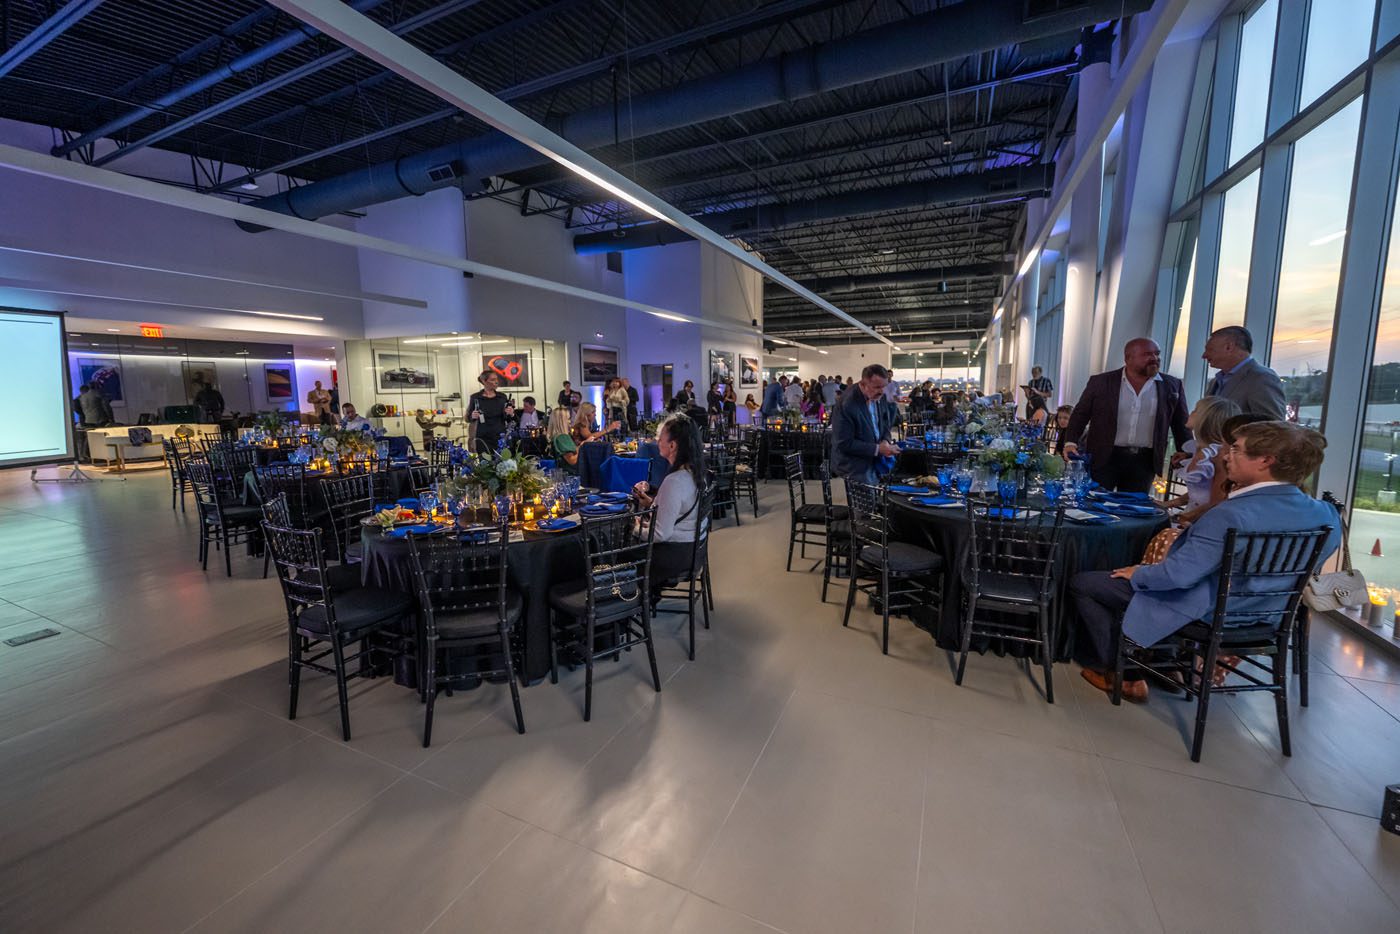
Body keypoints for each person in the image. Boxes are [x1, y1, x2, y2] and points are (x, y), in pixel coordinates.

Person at [1070, 421, 1340, 701]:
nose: (1226, 456)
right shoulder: (1326, 514)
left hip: (1211, 612)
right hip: (1270, 614)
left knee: (1086, 584)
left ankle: (1123, 675)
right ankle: (1163, 662)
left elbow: (1177, 577)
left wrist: (1138, 573)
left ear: (1265, 461)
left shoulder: (1231, 515)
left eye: (1236, 449)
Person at [1062, 338, 1190, 493]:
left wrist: (1187, 451)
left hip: (1144, 462)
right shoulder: (1102, 382)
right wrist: (1070, 442)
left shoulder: (1171, 385)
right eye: (1147, 354)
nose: (1155, 358)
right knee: (1095, 505)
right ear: (1128, 358)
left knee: (1134, 509)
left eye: (1157, 354)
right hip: (1104, 457)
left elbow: (1181, 422)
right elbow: (1081, 414)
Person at [632, 414, 708, 599]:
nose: (657, 441)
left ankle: (629, 608)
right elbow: (681, 509)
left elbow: (660, 534)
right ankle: (648, 600)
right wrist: (651, 503)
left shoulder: (674, 481)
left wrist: (633, 527)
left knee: (618, 558)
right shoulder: (695, 472)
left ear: (672, 445)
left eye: (660, 438)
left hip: (675, 555)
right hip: (693, 549)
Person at [1167, 396, 1240, 524]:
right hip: (1191, 515)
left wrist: (1181, 518)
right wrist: (1168, 504)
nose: (1191, 412)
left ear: (1205, 420)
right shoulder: (1199, 450)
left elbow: (1217, 501)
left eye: (1195, 410)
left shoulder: (1219, 455)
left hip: (1205, 520)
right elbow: (1199, 492)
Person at [831, 364, 900, 483]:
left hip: (875, 461)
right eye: (877, 387)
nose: (882, 391)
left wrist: (885, 440)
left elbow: (885, 424)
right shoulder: (848, 403)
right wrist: (878, 449)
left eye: (884, 386)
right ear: (863, 384)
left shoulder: (880, 395)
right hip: (855, 467)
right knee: (869, 501)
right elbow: (844, 443)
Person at [1202, 326, 1286, 420]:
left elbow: (1273, 427)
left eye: (1210, 350)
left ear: (1229, 347)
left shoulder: (1262, 379)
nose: (1204, 355)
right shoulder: (1216, 381)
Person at [467, 369, 515, 454]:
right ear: (484, 381)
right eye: (493, 380)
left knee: (501, 465)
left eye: (497, 379)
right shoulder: (475, 397)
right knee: (485, 465)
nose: (496, 382)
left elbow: (507, 418)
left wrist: (511, 413)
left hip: (499, 437)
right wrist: (472, 416)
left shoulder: (502, 397)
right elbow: (468, 418)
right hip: (482, 438)